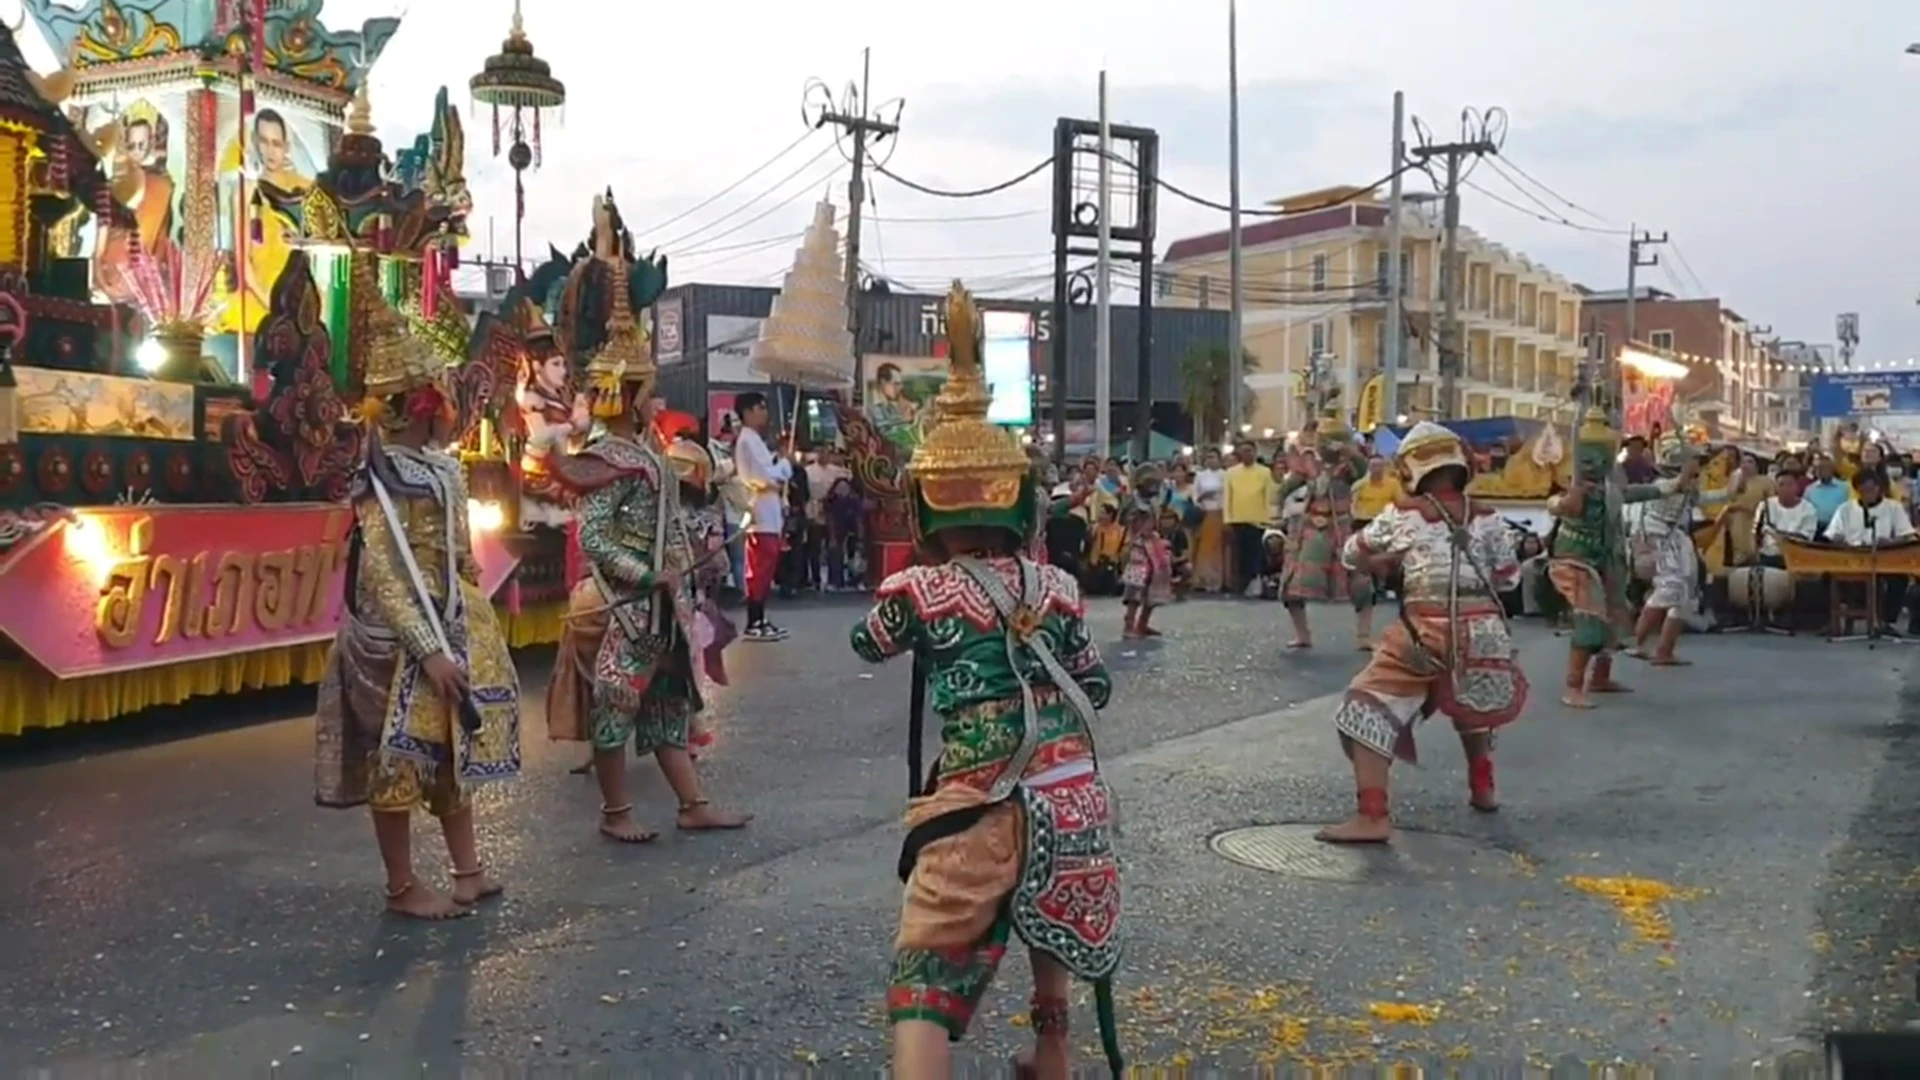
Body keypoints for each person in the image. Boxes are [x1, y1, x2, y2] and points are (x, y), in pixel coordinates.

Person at [848, 282, 1123, 1080]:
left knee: (924, 980)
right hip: (1072, 795)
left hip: (978, 804)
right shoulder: (1059, 588)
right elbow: (1093, 688)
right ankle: (1051, 1054)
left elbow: (869, 644)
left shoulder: (921, 592)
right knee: (1048, 922)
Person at [313, 285, 520, 919]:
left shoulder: (446, 472)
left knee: (451, 750)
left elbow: (460, 560)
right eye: (445, 393)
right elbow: (381, 570)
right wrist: (428, 650)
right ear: (424, 404)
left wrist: (472, 623)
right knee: (397, 756)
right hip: (393, 638)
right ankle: (402, 886)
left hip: (449, 620)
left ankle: (468, 871)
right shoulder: (379, 477)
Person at [545, 272, 750, 841]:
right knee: (617, 705)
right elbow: (594, 539)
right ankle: (616, 814)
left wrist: (690, 568)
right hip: (628, 604)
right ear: (629, 395)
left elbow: (669, 523)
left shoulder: (650, 453)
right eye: (646, 390)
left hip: (664, 603)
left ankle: (692, 804)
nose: (654, 399)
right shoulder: (611, 458)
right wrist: (646, 573)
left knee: (667, 708)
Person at [1315, 421, 1526, 844]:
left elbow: (1354, 552)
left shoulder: (1403, 513)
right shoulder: (1487, 516)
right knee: (1469, 697)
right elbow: (1508, 579)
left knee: (1366, 705)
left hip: (1426, 629)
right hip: (1485, 630)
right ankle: (1482, 788)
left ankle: (1373, 816)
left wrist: (1392, 561)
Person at [1546, 408, 1687, 709]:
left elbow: (1642, 492)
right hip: (1577, 562)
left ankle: (1600, 678)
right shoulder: (1575, 490)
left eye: (1599, 459)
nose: (1594, 465)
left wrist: (1677, 483)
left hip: (1607, 560)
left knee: (1613, 618)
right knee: (1590, 621)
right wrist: (1562, 502)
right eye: (1588, 459)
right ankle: (1572, 687)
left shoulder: (1611, 490)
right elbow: (1556, 505)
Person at [1274, 416, 1375, 650]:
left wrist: (1349, 452)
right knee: (1291, 586)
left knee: (1361, 583)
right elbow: (1284, 489)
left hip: (1341, 529)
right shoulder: (1310, 464)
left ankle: (1364, 636)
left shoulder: (1348, 468)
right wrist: (1276, 511)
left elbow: (1362, 469)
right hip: (1310, 528)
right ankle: (1303, 635)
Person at [1628, 443, 1720, 666]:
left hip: (1678, 538)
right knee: (1670, 588)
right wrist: (1686, 473)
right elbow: (1676, 486)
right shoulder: (1664, 485)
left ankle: (1665, 651)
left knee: (1686, 594)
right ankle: (1638, 644)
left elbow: (1706, 498)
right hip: (1659, 538)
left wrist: (1735, 486)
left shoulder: (1687, 486)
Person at [732, 391, 793, 640]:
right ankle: (754, 621)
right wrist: (785, 465)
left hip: (769, 512)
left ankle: (761, 618)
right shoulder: (747, 439)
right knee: (758, 570)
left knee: (766, 570)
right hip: (760, 512)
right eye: (761, 408)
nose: (765, 413)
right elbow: (765, 476)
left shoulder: (754, 440)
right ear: (748, 412)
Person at [1120, 465, 1174, 638]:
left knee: (1156, 584)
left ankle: (1142, 623)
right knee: (1136, 583)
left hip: (1154, 544)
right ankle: (1129, 624)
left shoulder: (1155, 501)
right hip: (1137, 544)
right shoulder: (1132, 500)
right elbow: (1122, 520)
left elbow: (1163, 508)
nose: (1154, 487)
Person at [1222, 440, 1272, 597]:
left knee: (1255, 552)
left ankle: (1255, 580)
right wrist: (1228, 519)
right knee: (1240, 554)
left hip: (1257, 518)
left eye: (1250, 451)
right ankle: (1241, 584)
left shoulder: (1264, 472)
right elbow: (1227, 497)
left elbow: (1268, 496)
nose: (1247, 454)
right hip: (1237, 518)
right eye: (1243, 451)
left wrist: (1267, 518)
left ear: (1255, 452)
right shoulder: (1231, 473)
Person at [1191, 448, 1227, 591]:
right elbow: (1195, 495)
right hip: (1205, 513)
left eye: (1213, 457)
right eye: (1208, 457)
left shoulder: (1225, 475)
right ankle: (1204, 579)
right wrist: (1202, 499)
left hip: (1220, 512)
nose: (1210, 460)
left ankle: (1218, 580)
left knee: (1218, 548)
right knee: (1205, 548)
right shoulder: (1200, 476)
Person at [1804, 454, 1851, 534]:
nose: (1822, 471)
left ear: (1832, 469)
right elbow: (1804, 509)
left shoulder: (1845, 487)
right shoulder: (1810, 489)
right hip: (1816, 528)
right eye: (1819, 468)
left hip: (1839, 527)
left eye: (1825, 468)